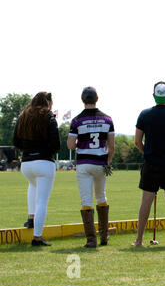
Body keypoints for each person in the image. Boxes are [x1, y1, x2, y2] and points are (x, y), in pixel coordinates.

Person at [132, 81, 165, 247]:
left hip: (150, 164)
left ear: (154, 95)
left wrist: (148, 153)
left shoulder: (144, 114)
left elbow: (137, 141)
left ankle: (139, 240)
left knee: (145, 202)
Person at [67, 87, 115, 248]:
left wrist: (81, 142)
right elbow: (112, 146)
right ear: (97, 98)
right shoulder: (108, 119)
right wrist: (108, 161)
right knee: (101, 196)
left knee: (86, 200)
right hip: (101, 163)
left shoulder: (76, 121)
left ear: (82, 100)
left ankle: (91, 240)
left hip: (84, 164)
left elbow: (70, 145)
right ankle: (104, 236)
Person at [13, 92, 60, 246]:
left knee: (32, 186)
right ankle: (37, 237)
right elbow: (56, 144)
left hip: (26, 163)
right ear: (48, 102)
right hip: (44, 162)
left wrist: (29, 148)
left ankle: (31, 218)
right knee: (42, 201)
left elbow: (16, 141)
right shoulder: (49, 116)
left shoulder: (23, 116)